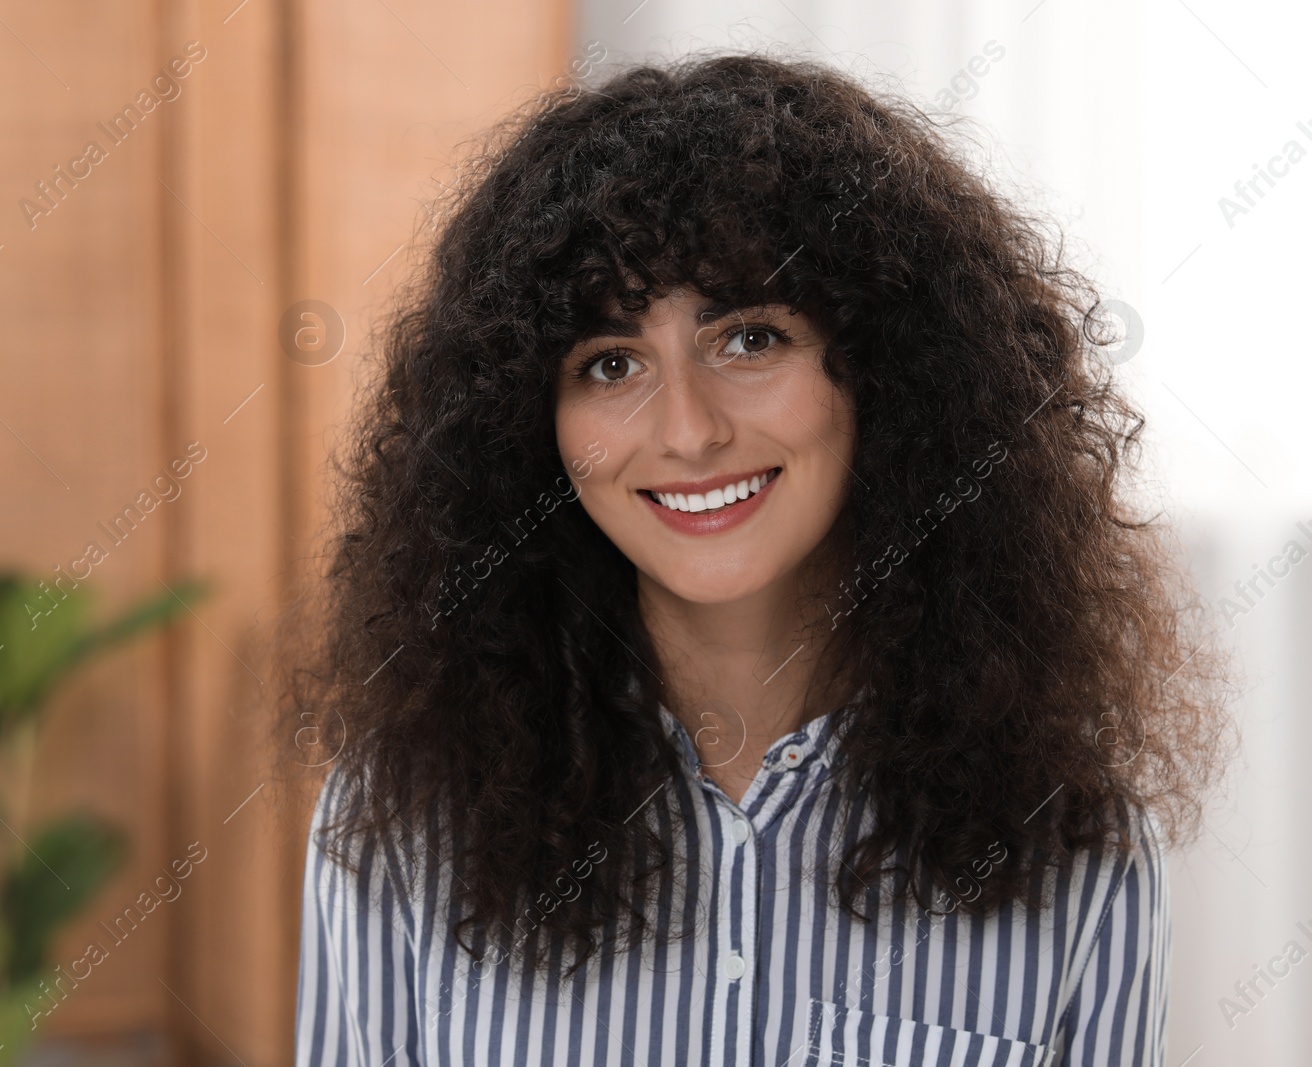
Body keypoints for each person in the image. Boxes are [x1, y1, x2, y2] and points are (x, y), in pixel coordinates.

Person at [284, 52, 1229, 1066]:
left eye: (749, 339)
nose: (686, 430)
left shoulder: (1072, 843)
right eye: (609, 363)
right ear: (529, 427)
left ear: (891, 371)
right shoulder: (407, 820)